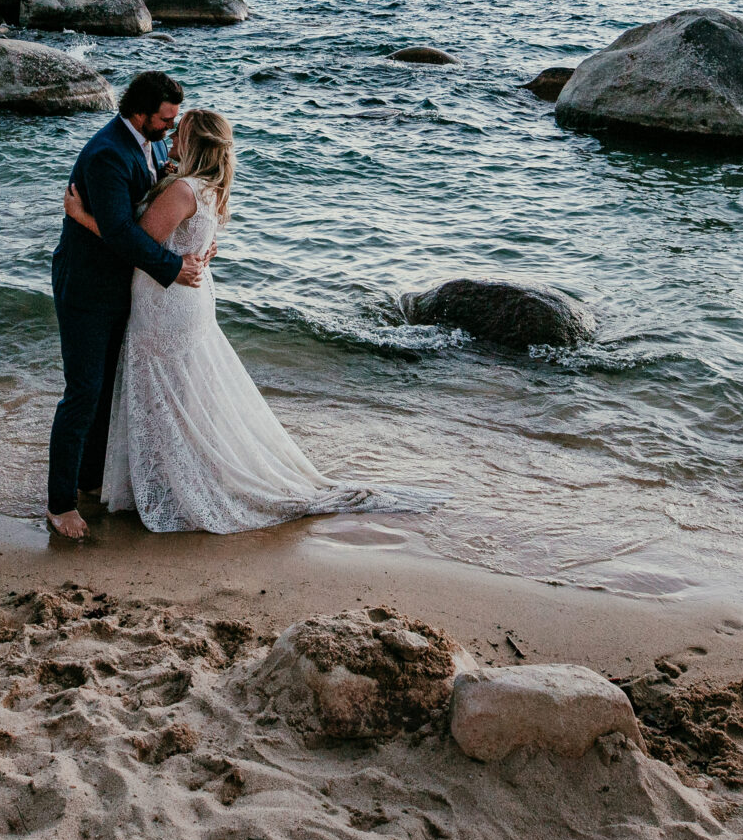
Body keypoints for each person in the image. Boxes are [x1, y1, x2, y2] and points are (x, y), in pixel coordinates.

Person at [63, 109, 445, 535]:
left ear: (194, 144)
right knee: (178, 398)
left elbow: (132, 244)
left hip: (165, 306)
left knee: (161, 399)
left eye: (179, 134)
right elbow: (194, 240)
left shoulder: (183, 191)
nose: (169, 140)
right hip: (189, 301)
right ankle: (165, 479)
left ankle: (171, 487)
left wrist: (82, 218)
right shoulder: (210, 188)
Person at [46, 70, 208, 540]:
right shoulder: (107, 154)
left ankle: (90, 482)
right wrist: (172, 267)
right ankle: (60, 504)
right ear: (140, 113)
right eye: (165, 118)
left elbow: (163, 203)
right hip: (88, 287)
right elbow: (119, 233)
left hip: (125, 288)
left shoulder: (153, 142)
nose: (171, 128)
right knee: (83, 392)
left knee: (108, 390)